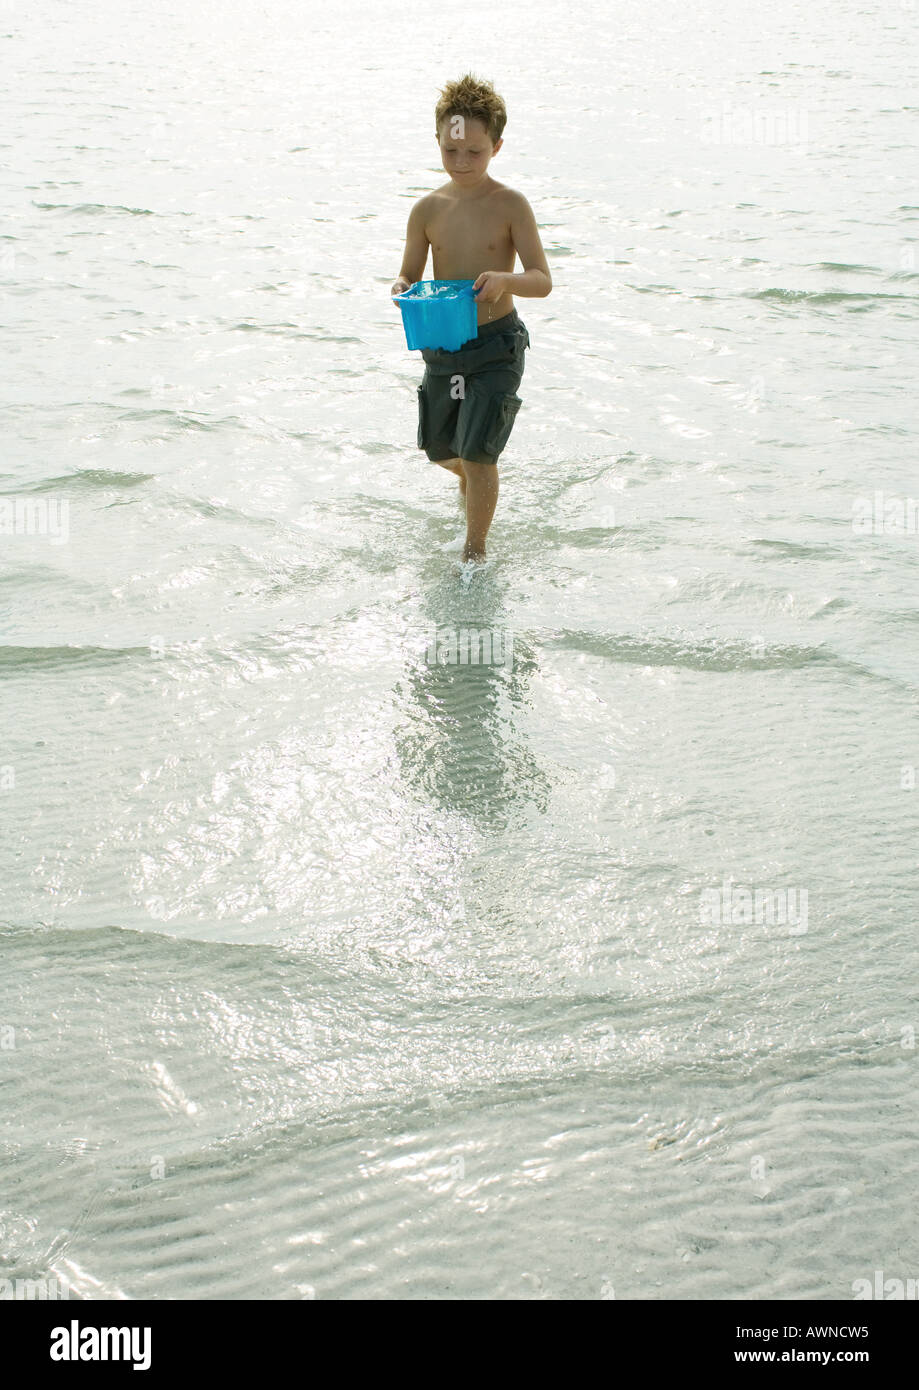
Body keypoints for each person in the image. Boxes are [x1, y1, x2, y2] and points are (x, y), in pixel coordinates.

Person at [391, 73, 552, 564]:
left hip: (496, 346)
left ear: (496, 146)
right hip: (443, 345)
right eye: (451, 151)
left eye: (475, 152)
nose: (462, 162)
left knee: (479, 455)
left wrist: (506, 282)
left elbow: (542, 279)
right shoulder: (426, 209)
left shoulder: (510, 204)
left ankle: (475, 555)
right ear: (439, 140)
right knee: (443, 451)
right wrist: (400, 290)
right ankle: (482, 479)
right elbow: (408, 276)